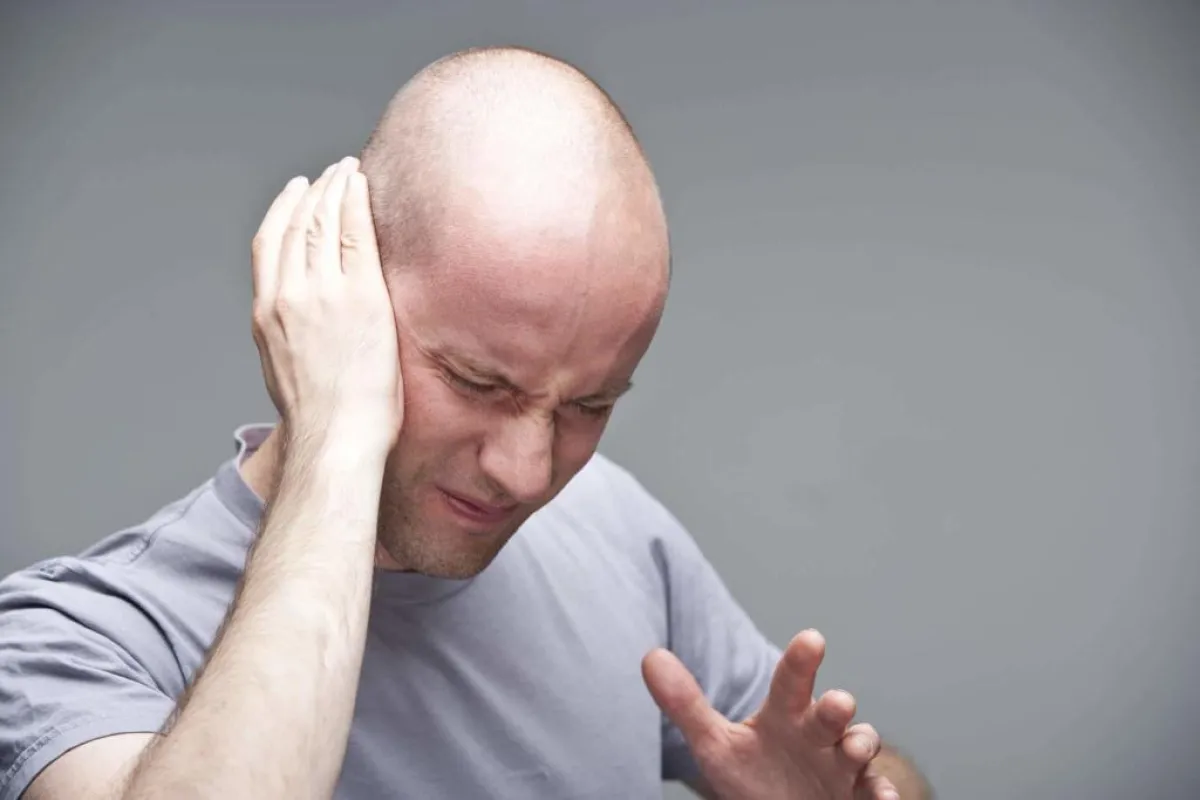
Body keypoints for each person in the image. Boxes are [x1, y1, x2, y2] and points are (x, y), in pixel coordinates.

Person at [0, 47, 931, 800]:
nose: (528, 472)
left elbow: (871, 773)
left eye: (590, 405)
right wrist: (336, 434)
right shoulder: (72, 641)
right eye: (479, 382)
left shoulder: (613, 523)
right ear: (342, 295)